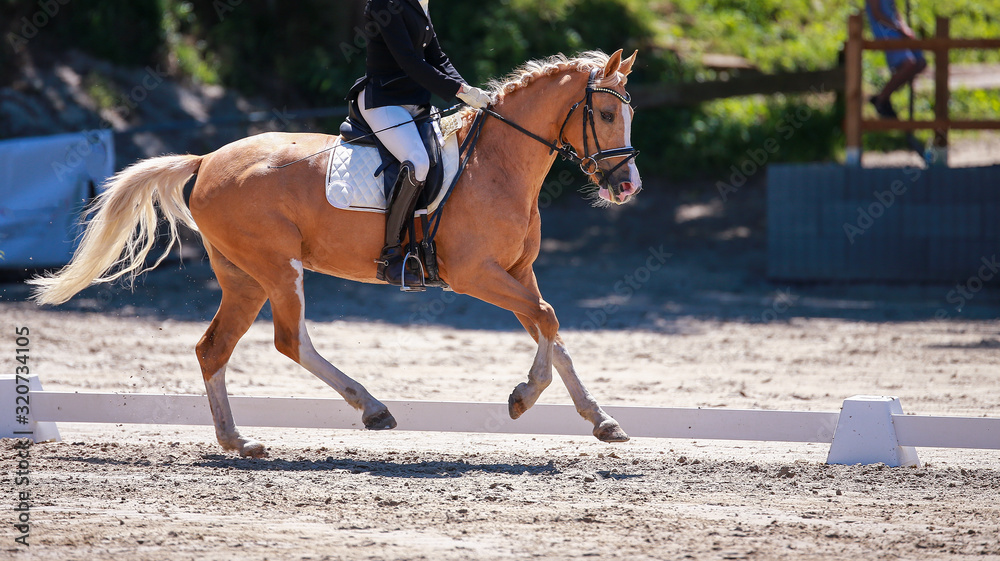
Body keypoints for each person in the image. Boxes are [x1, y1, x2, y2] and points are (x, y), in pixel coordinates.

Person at [348, 0, 491, 286]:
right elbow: (409, 62)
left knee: (449, 154)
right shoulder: (384, 4)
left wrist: (469, 91)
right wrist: (459, 91)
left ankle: (428, 246)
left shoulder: (418, 4)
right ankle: (390, 256)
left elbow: (438, 57)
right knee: (418, 162)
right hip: (383, 102)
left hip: (415, 104)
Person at [865, 0, 927, 119]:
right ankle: (882, 99)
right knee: (909, 64)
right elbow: (877, 14)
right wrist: (898, 28)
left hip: (896, 32)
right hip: (886, 33)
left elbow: (895, 10)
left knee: (920, 63)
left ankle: (883, 97)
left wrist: (905, 29)